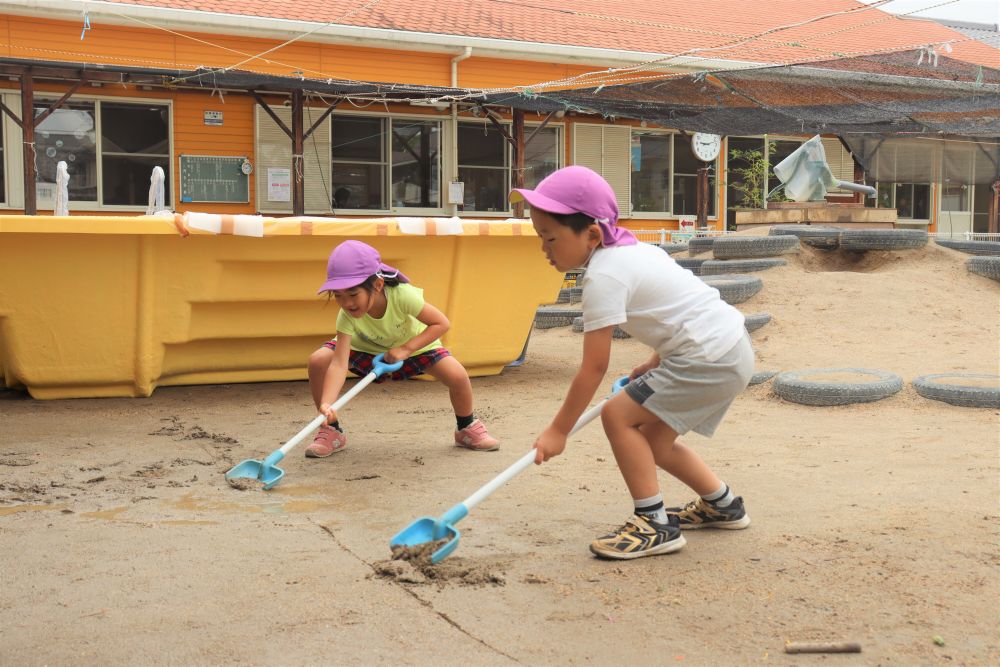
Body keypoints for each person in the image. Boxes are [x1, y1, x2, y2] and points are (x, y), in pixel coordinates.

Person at [509, 166, 753, 560]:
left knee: (617, 416)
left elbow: (593, 368)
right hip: (729, 348)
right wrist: (656, 360)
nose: (544, 249)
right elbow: (684, 306)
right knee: (655, 440)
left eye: (550, 238)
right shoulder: (637, 251)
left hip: (706, 357)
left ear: (590, 234)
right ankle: (722, 504)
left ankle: (654, 523)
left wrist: (558, 430)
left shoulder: (604, 277)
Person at [305, 240, 499, 457]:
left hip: (413, 346)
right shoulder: (346, 315)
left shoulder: (402, 295)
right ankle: (330, 428)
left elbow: (441, 323)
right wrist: (328, 402)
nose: (346, 303)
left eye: (352, 294)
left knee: (458, 376)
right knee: (318, 360)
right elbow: (339, 363)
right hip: (364, 348)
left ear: (377, 285)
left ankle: (466, 427)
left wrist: (406, 349)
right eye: (338, 295)